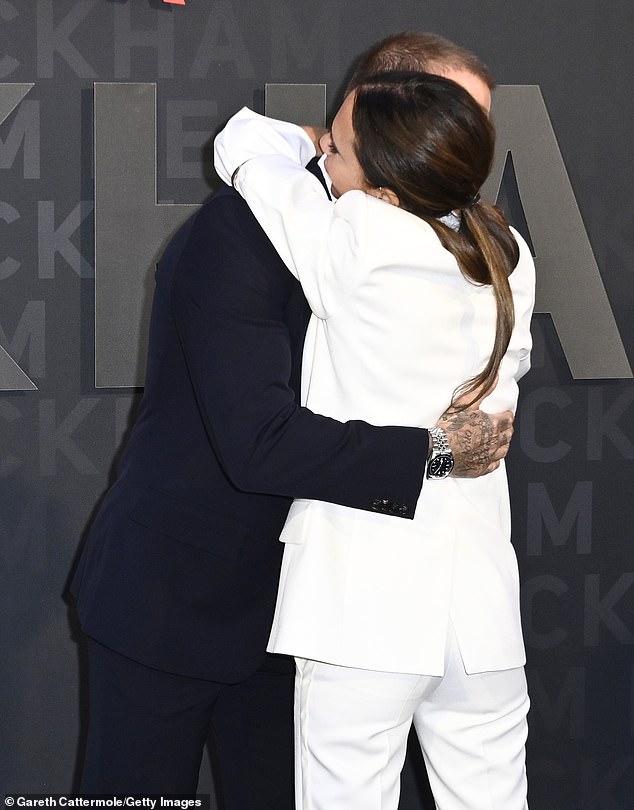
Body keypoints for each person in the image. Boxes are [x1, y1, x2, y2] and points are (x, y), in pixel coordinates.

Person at [69, 33, 513, 804]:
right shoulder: (242, 233)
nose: (462, 149)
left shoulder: (464, 239)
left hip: (318, 621)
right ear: (377, 113)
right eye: (447, 119)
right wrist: (438, 455)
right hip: (177, 602)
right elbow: (258, 443)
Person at [214, 70, 535, 810]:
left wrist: (301, 143)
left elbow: (241, 143)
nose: (328, 160)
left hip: (364, 604)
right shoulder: (509, 251)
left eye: (341, 150)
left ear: (386, 189)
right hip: (480, 604)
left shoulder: (358, 236)